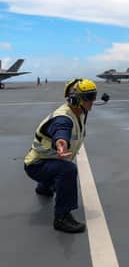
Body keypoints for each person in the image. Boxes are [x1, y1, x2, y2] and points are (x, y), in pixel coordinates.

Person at [23, 79, 98, 233]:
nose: (93, 101)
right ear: (75, 99)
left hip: (42, 162)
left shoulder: (78, 112)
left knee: (58, 166)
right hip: (36, 165)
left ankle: (44, 187)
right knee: (68, 170)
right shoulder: (64, 117)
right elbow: (61, 129)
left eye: (94, 96)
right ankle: (62, 218)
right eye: (89, 97)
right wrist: (61, 142)